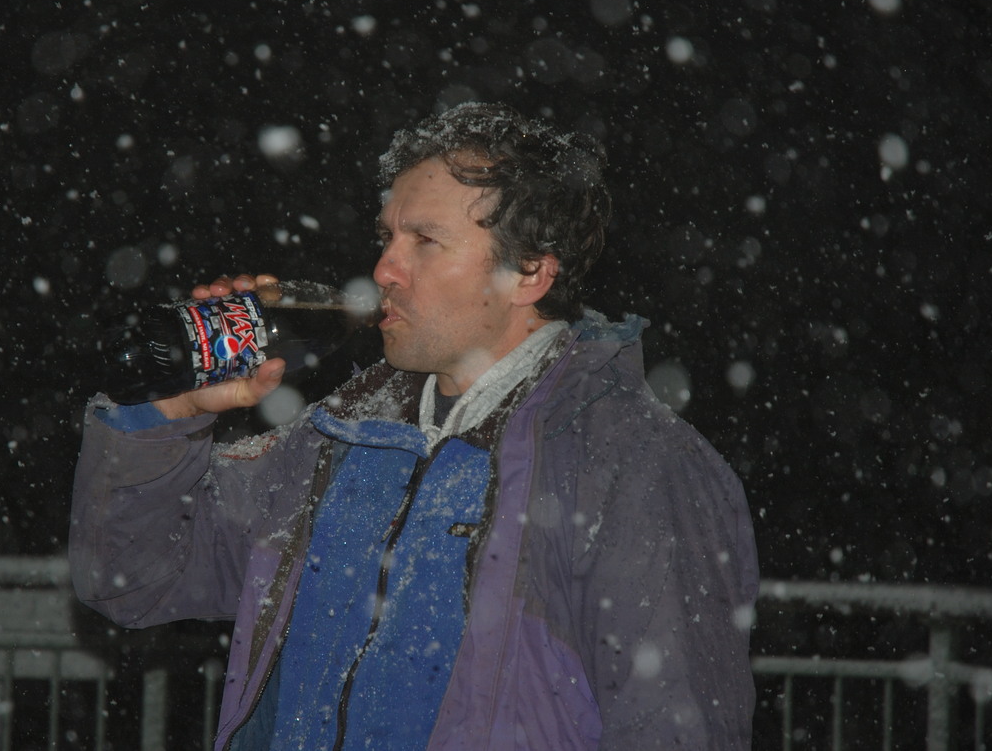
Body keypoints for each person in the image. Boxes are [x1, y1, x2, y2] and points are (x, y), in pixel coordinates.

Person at [70, 102, 759, 749]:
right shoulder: (336, 440)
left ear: (530, 273)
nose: (383, 270)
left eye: (424, 240)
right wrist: (175, 413)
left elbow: (675, 728)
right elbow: (131, 578)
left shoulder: (632, 464)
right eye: (386, 237)